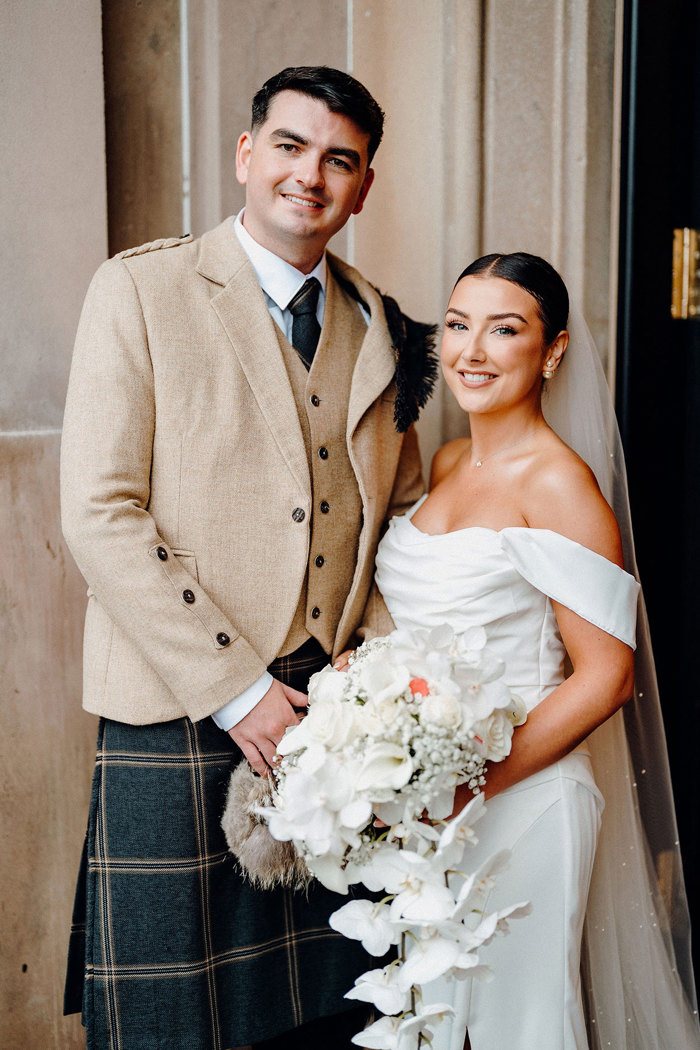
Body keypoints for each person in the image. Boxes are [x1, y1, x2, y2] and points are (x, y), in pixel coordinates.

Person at [60, 66, 436, 1050]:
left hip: (332, 726)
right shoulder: (139, 289)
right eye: (289, 145)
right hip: (179, 705)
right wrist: (236, 690)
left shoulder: (386, 327)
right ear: (245, 154)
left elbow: (405, 518)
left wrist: (370, 670)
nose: (309, 175)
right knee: (168, 1022)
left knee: (323, 1012)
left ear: (363, 186)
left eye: (339, 160)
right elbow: (100, 513)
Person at [372, 252, 700, 1049]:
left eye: (504, 329)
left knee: (519, 1027)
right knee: (438, 1023)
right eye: (457, 325)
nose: (471, 350)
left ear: (551, 350)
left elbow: (608, 676)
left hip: (523, 801)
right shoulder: (448, 463)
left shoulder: (557, 484)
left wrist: (474, 785)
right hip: (433, 804)